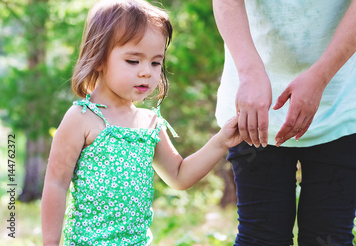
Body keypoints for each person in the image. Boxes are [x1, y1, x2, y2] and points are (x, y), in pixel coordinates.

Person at [40, 0, 242, 245]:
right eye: (133, 61)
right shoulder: (82, 118)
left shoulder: (149, 123)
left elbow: (179, 175)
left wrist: (220, 142)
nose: (146, 71)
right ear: (99, 59)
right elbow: (56, 183)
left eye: (156, 62)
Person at [213, 0, 356, 245]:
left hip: (344, 97)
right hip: (253, 107)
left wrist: (321, 75)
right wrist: (249, 72)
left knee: (328, 238)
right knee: (260, 238)